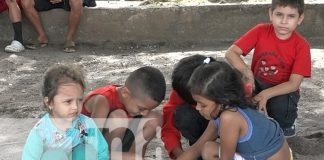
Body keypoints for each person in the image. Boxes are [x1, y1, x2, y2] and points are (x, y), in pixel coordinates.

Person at [225, 0, 311, 137]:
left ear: (300, 19)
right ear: (270, 14)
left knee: (282, 105)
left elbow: (294, 83)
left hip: (284, 88)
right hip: (258, 82)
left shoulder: (301, 45)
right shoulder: (261, 30)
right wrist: (247, 72)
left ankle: (286, 126)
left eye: (291, 16)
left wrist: (264, 95)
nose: (284, 21)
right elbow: (231, 53)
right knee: (236, 88)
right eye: (279, 14)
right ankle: (243, 125)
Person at [177, 60, 292, 160]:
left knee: (209, 150)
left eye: (203, 105)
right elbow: (198, 146)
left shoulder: (229, 117)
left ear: (221, 100)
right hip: (271, 154)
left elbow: (226, 159)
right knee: (208, 148)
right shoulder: (226, 108)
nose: (197, 107)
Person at [22, 64, 109, 160]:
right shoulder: (41, 132)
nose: (75, 107)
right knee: (54, 156)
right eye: (68, 101)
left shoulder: (86, 123)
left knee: (86, 151)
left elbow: (101, 151)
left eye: (79, 100)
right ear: (49, 103)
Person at [82, 66, 166, 158]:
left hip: (119, 146)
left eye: (148, 109)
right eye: (141, 108)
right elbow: (92, 139)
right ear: (125, 93)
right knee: (119, 118)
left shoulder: (131, 97)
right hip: (92, 148)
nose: (145, 113)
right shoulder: (103, 100)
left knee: (155, 119)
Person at [162, 55, 216, 159]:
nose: (198, 108)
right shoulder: (183, 90)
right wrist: (180, 155)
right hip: (208, 134)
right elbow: (168, 129)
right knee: (184, 115)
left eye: (202, 104)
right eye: (196, 103)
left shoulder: (232, 97)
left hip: (235, 140)